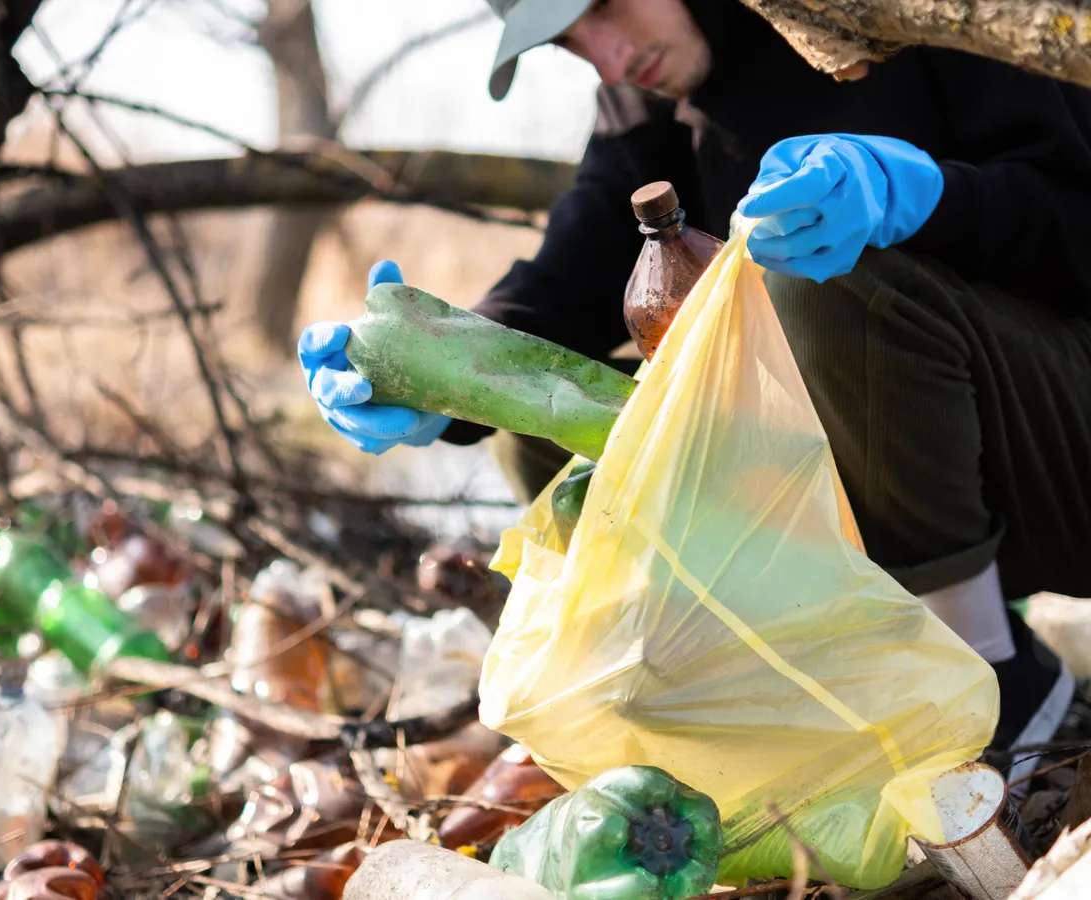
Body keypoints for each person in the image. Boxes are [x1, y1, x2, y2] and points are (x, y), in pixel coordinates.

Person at [300, 0, 1091, 782]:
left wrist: (929, 200)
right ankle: (827, 695)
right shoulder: (644, 95)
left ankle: (989, 680)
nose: (609, 56)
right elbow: (564, 284)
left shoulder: (913, 12)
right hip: (913, 486)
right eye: (570, 43)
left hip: (1063, 444)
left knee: (823, 285)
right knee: (546, 424)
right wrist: (433, 372)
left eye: (604, 7)